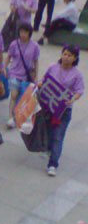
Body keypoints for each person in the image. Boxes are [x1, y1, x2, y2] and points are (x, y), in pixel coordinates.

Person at [40, 45, 84, 176]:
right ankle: (49, 149)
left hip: (64, 111)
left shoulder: (77, 75)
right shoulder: (53, 67)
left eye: (70, 55)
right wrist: (40, 84)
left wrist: (73, 99)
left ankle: (53, 164)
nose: (66, 57)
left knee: (58, 137)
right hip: (49, 107)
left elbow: (79, 91)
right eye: (65, 54)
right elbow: (44, 80)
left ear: (75, 58)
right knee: (49, 131)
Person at [5, 24, 40, 129]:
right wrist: (4, 68)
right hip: (14, 73)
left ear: (29, 33)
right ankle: (10, 117)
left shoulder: (34, 46)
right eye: (21, 32)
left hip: (26, 76)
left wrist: (36, 75)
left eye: (25, 32)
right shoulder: (14, 44)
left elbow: (36, 61)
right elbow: (8, 57)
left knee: (22, 97)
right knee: (14, 95)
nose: (23, 34)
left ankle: (16, 115)